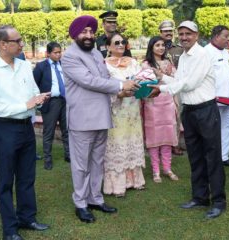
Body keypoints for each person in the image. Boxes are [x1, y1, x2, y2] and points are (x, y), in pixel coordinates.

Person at [61, 15, 140, 223]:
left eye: (91, 31)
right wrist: (121, 86)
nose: (88, 35)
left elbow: (105, 78)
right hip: (82, 119)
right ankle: (80, 203)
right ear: (75, 34)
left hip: (102, 116)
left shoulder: (96, 53)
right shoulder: (69, 56)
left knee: (97, 161)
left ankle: (95, 198)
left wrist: (126, 87)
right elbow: (89, 81)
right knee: (81, 164)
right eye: (83, 32)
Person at [0, 25, 50, 240]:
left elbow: (33, 92)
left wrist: (38, 98)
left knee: (27, 176)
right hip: (4, 128)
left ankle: (27, 217)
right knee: (6, 180)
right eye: (17, 41)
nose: (22, 44)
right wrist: (25, 104)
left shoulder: (24, 65)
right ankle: (9, 229)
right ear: (2, 44)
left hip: (25, 127)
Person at [149, 21, 226, 219]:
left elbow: (189, 84)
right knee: (195, 156)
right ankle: (200, 197)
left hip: (206, 111)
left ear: (197, 35)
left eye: (188, 34)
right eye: (181, 34)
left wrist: (161, 89)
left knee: (212, 157)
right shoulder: (183, 56)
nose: (184, 37)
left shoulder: (202, 55)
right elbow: (179, 82)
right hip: (189, 111)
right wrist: (162, 78)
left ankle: (218, 201)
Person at [103, 33, 146, 197]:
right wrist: (119, 94)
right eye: (117, 42)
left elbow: (141, 81)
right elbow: (103, 88)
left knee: (132, 140)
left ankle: (135, 181)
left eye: (123, 42)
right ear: (108, 46)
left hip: (133, 110)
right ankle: (117, 185)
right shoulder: (104, 65)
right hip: (116, 110)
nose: (121, 45)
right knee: (118, 142)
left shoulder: (134, 62)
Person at [142, 36, 179, 183]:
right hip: (152, 103)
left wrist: (168, 76)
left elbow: (176, 80)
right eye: (157, 45)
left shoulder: (169, 62)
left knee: (166, 136)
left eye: (163, 45)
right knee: (154, 137)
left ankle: (167, 168)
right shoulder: (146, 64)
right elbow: (144, 84)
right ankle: (156, 171)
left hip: (167, 102)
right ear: (151, 47)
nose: (161, 48)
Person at [33, 41, 70, 170]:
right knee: (49, 132)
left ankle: (68, 155)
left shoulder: (63, 65)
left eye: (60, 52)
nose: (58, 55)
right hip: (51, 102)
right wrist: (40, 99)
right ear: (48, 53)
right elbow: (34, 84)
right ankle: (47, 159)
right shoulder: (41, 66)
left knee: (66, 130)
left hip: (64, 101)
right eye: (55, 53)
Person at [205, 25, 229, 167]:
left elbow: (228, 71)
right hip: (214, 99)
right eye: (225, 36)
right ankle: (210, 156)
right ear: (217, 36)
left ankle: (223, 156)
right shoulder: (206, 52)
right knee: (211, 129)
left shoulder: (225, 52)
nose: (228, 39)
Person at [159, 20, 184, 156]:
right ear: (160, 32)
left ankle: (175, 144)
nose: (168, 33)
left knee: (177, 115)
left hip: (176, 86)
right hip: (161, 87)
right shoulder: (157, 46)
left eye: (170, 31)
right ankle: (161, 144)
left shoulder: (179, 49)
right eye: (165, 31)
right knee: (162, 117)